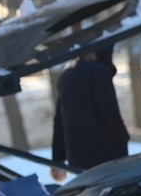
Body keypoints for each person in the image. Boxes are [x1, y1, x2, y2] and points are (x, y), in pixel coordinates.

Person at [50, 45, 130, 181]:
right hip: (107, 152)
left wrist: (58, 159)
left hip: (77, 156)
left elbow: (59, 121)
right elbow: (109, 112)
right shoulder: (100, 73)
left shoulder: (66, 77)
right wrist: (123, 137)